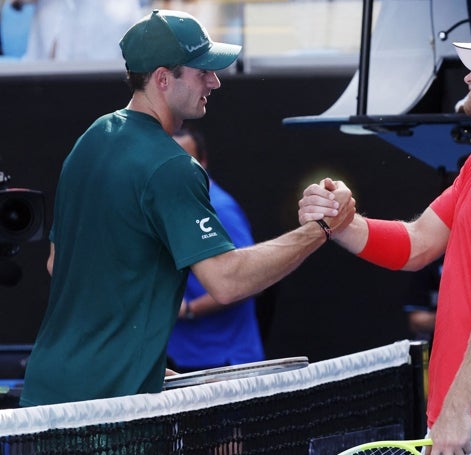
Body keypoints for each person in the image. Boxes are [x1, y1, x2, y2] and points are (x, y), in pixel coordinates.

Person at [19, 9, 354, 407]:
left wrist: (131, 358)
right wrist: (320, 230)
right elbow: (227, 282)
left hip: (46, 396)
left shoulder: (90, 140)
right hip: (110, 410)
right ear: (163, 78)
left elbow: (58, 264)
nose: (214, 81)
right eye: (201, 71)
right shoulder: (172, 166)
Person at [299, 24, 471, 454]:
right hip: (466, 416)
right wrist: (341, 222)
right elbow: (416, 243)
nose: (468, 76)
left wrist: (458, 409)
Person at [166, 125, 265, 372]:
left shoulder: (221, 209)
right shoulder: (167, 205)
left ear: (203, 162)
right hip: (182, 358)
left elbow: (249, 278)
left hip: (226, 362)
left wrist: (188, 310)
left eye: (185, 160)